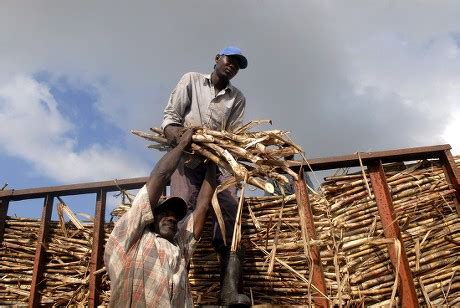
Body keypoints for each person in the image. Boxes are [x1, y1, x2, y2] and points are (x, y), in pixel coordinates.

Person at [161, 46, 250, 305]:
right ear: (216, 59)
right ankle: (173, 284)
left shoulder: (238, 98)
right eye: (229, 59)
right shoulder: (190, 80)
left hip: (219, 160)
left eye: (237, 64)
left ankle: (230, 291)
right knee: (182, 205)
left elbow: (233, 135)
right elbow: (170, 119)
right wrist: (180, 139)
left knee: (230, 210)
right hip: (188, 156)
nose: (232, 65)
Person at [104, 129, 216, 307]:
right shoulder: (134, 238)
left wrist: (214, 160)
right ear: (150, 217)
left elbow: (203, 205)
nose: (172, 218)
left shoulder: (180, 247)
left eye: (176, 216)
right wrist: (182, 146)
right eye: (165, 213)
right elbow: (160, 176)